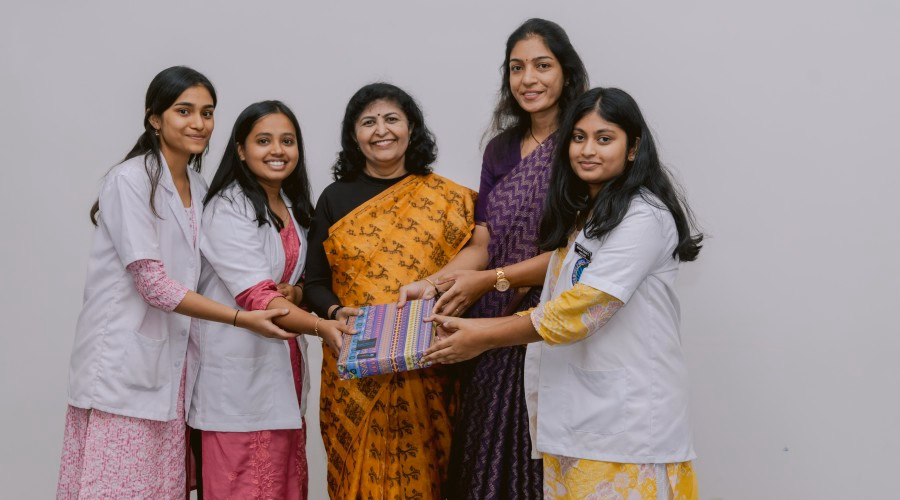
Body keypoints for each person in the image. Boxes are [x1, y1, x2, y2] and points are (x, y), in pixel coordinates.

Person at [424, 87, 703, 499]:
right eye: (578, 137)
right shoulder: (591, 213)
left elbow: (581, 309)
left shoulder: (644, 215)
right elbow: (561, 267)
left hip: (628, 432)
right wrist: (486, 281)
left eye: (604, 139)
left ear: (633, 148)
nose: (587, 150)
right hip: (577, 425)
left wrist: (481, 335)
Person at [57, 66, 292, 499]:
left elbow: (212, 271)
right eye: (184, 111)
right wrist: (242, 319)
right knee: (115, 488)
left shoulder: (200, 187)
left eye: (207, 112)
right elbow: (153, 284)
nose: (199, 123)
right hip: (122, 367)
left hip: (174, 370)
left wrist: (284, 292)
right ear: (154, 118)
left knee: (161, 489)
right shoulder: (130, 180)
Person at [397, 18, 588, 498]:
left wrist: (491, 280)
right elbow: (482, 244)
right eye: (516, 68)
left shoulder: (582, 144)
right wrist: (434, 283)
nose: (528, 79)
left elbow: (576, 254)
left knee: (543, 458)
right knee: (485, 455)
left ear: (565, 71)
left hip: (552, 323)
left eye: (542, 65)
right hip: (490, 323)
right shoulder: (501, 149)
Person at [304, 83, 477, 499]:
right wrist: (335, 314)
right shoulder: (334, 199)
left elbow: (478, 265)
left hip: (428, 364)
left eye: (391, 119)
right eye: (368, 122)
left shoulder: (449, 200)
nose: (381, 130)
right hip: (355, 362)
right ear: (354, 136)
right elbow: (315, 284)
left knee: (430, 474)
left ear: (411, 128)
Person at [188, 100, 356, 499]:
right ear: (241, 149)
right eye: (263, 141)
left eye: (287, 141)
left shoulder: (292, 206)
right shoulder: (228, 207)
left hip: (282, 378)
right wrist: (321, 326)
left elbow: (294, 279)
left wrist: (297, 292)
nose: (277, 150)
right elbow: (258, 296)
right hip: (236, 386)